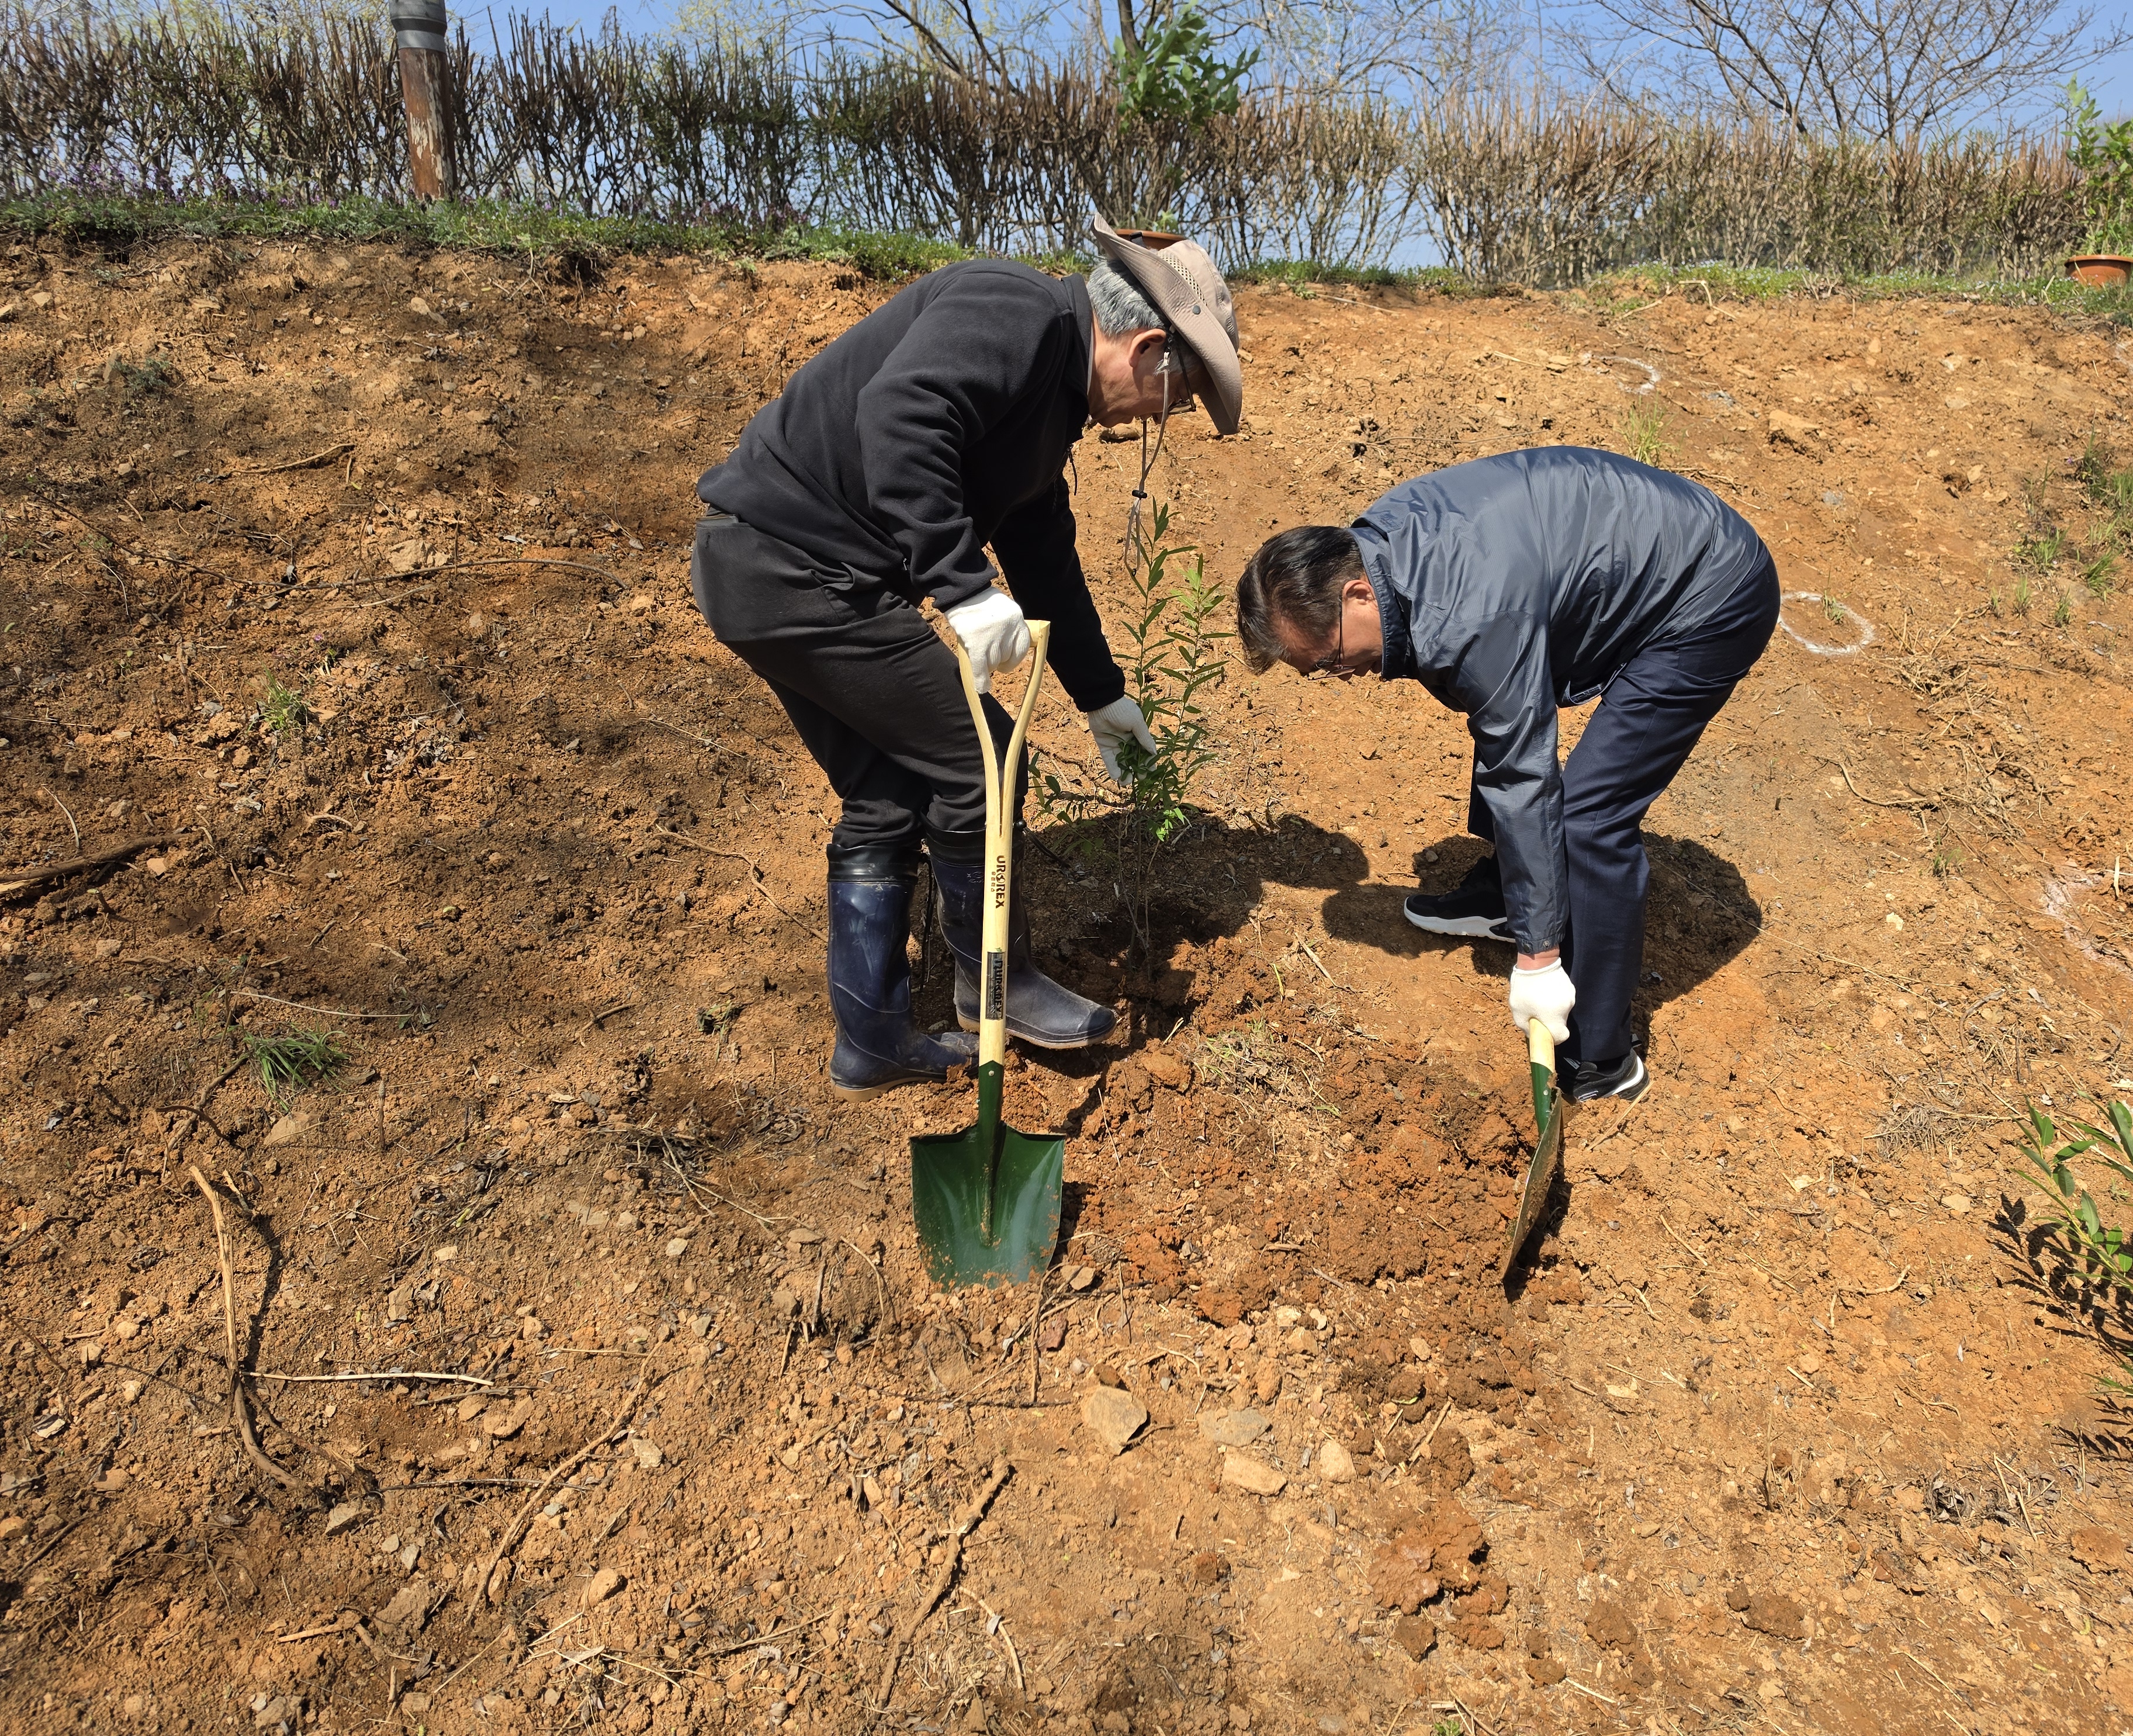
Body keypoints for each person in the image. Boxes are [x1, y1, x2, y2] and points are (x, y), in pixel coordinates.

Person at [690, 217, 1244, 1099]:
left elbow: (1042, 551)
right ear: (1147, 349)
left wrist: (1101, 696)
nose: (1159, 419)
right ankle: (997, 984)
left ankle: (872, 1042)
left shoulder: (1047, 401)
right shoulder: (1015, 311)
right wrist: (963, 588)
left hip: (769, 571)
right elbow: (901, 415)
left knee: (886, 792)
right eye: (1174, 401)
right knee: (982, 760)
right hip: (795, 569)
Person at [1234, 448, 1777, 1103]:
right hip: (1632, 554)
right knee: (1500, 712)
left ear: (1355, 594)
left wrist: (1540, 958)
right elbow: (1497, 708)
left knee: (1589, 819)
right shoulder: (1381, 552)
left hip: (1709, 595)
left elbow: (1522, 770)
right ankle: (1508, 898)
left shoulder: (1469, 614)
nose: (1340, 676)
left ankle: (1604, 1057)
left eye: (1329, 660)